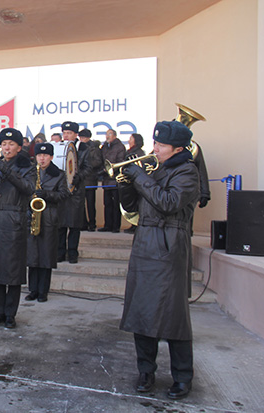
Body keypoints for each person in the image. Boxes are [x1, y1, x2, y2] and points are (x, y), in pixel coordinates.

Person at [118, 120, 200, 400]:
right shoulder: (157, 169)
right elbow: (132, 208)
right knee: (142, 312)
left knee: (174, 316)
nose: (155, 149)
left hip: (168, 247)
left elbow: (168, 203)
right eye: (154, 143)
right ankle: (146, 371)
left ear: (178, 149)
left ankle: (183, 376)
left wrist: (140, 178)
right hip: (144, 243)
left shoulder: (187, 171)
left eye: (161, 145)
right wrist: (126, 184)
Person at [0, 128, 36, 329]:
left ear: (19, 147)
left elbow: (28, 188)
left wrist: (7, 171)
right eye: (4, 144)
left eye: (11, 144)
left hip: (14, 222)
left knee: (13, 272)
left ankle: (10, 314)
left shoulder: (27, 167)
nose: (7, 148)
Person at [26, 143, 70, 302]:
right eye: (39, 155)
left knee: (46, 255)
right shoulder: (31, 173)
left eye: (45, 155)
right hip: (32, 217)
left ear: (51, 157)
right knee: (32, 256)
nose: (42, 158)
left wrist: (47, 194)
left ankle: (43, 291)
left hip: (49, 218)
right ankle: (32, 290)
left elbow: (64, 194)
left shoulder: (59, 174)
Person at [57, 121, 94, 264]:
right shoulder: (58, 146)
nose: (66, 136)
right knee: (60, 224)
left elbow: (88, 167)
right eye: (64, 133)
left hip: (76, 191)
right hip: (61, 190)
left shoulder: (83, 148)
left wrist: (79, 176)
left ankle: (72, 252)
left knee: (74, 224)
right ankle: (60, 252)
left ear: (75, 134)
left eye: (69, 133)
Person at [99, 129, 126, 233]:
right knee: (107, 204)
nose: (107, 136)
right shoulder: (104, 147)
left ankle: (115, 226)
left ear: (114, 135)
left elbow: (120, 161)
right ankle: (107, 225)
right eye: (106, 134)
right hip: (106, 180)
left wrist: (111, 169)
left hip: (115, 180)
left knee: (116, 205)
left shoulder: (120, 147)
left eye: (109, 134)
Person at [78, 129, 102, 231]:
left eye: (83, 137)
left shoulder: (94, 148)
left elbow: (98, 161)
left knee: (91, 204)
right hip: (81, 179)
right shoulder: (78, 147)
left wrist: (86, 164)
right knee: (81, 204)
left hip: (91, 178)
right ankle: (83, 223)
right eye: (80, 137)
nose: (81, 139)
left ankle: (92, 224)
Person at [123, 133, 145, 235]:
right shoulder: (130, 152)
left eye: (131, 139)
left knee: (138, 204)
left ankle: (136, 225)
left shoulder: (138, 153)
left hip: (136, 182)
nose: (129, 140)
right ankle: (133, 225)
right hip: (132, 181)